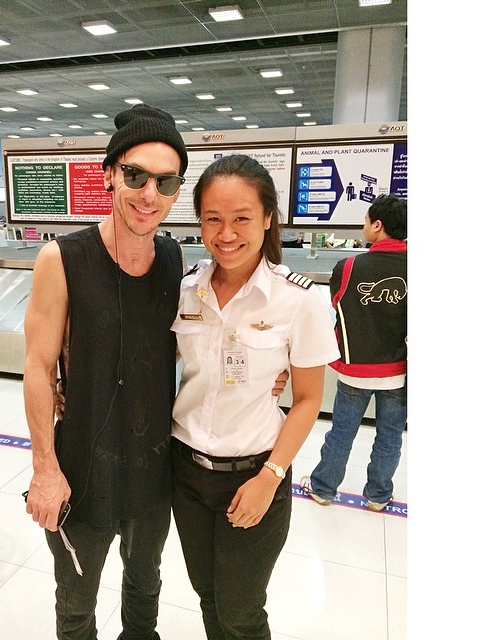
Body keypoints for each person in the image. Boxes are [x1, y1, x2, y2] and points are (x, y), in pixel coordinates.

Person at [23, 103, 190, 640]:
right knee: (76, 603)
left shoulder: (173, 259)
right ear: (109, 175)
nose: (149, 195)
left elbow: (185, 346)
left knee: (145, 589)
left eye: (166, 182)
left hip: (152, 469)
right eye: (136, 176)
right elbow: (38, 366)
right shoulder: (62, 258)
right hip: (82, 469)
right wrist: (45, 470)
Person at [169, 154, 340, 639]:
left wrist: (271, 476)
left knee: (241, 611)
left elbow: (307, 400)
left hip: (255, 473)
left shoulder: (299, 299)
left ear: (267, 218)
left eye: (241, 218)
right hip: (185, 472)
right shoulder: (186, 290)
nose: (226, 234)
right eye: (212, 219)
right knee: (208, 597)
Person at [300, 194, 407, 512]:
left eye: (366, 220)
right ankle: (378, 496)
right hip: (399, 371)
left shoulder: (347, 267)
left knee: (342, 432)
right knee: (390, 436)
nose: (364, 226)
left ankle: (323, 488)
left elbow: (338, 304)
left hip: (354, 368)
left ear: (378, 225)